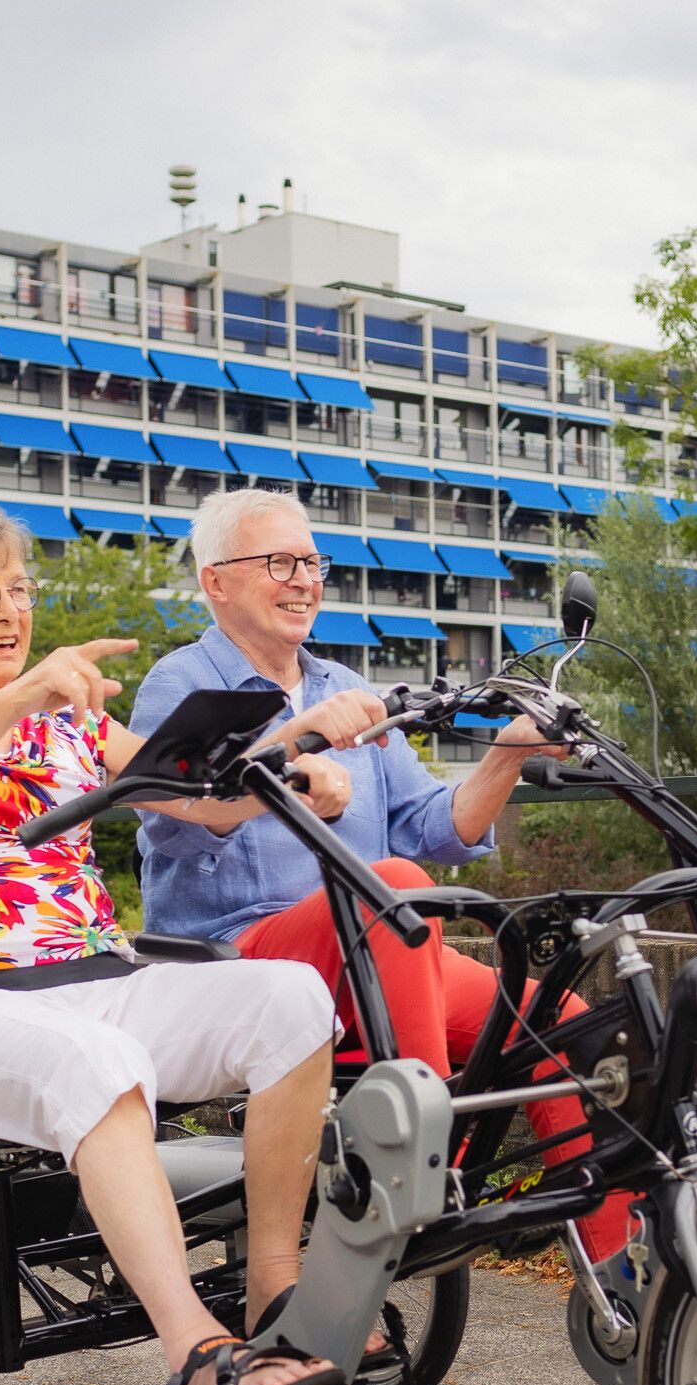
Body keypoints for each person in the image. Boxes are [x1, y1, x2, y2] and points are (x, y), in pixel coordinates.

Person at [0, 497, 361, 1385]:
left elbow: (202, 798)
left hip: (98, 975)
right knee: (97, 1065)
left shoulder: (70, 723)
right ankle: (192, 1354)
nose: (10, 612)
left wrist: (293, 767)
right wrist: (14, 702)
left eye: (19, 589)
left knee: (291, 999)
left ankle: (275, 1295)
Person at [131, 488, 634, 1266]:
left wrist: (507, 752)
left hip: (381, 938)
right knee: (392, 880)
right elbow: (183, 807)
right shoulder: (181, 682)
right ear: (216, 581)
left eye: (311, 561)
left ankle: (620, 1270)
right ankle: (418, 1150)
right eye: (278, 562)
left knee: (563, 1020)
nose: (303, 579)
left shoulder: (343, 685)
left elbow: (441, 824)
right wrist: (293, 757)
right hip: (239, 958)